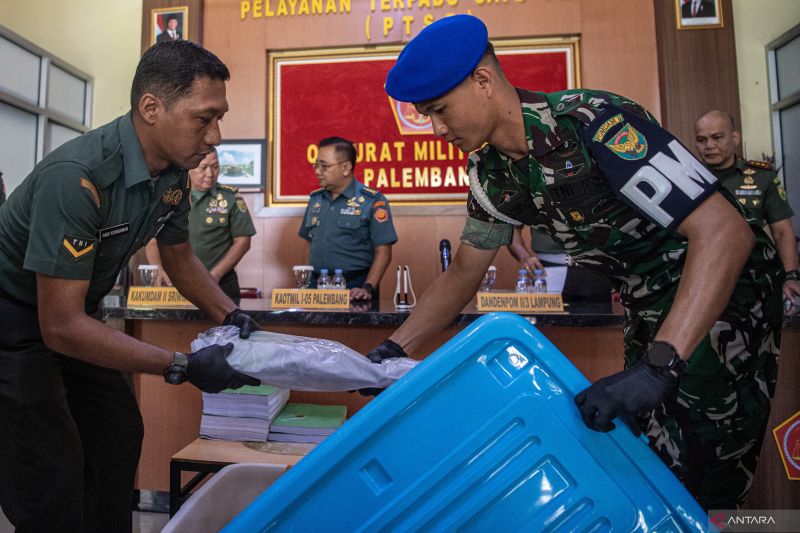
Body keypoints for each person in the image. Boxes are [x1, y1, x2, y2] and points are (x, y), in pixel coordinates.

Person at [368, 14, 783, 510]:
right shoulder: (489, 173)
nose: (435, 129)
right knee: (647, 462)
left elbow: (724, 232)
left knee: (700, 475)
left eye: (439, 111)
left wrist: (660, 366)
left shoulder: (593, 121)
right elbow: (464, 272)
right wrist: (393, 350)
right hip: (647, 307)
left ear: (482, 81)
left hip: (720, 300)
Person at [0, 40, 261, 532]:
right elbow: (59, 328)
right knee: (48, 471)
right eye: (204, 118)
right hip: (15, 320)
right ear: (151, 108)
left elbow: (181, 260)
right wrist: (182, 365)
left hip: (73, 313)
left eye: (219, 117)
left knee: (116, 434)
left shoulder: (173, 177)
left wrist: (230, 314)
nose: (217, 136)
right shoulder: (78, 178)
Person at [695, 109, 800, 305]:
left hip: (751, 279)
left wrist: (791, 276)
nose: (709, 146)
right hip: (699, 278)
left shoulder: (762, 177)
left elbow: (782, 232)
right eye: (701, 140)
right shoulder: (688, 178)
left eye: (717, 137)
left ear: (735, 137)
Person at [145, 148, 256, 304]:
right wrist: (158, 269)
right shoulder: (171, 197)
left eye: (215, 167)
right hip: (176, 284)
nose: (210, 173)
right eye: (203, 167)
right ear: (189, 167)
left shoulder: (230, 197)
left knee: (226, 328)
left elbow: (242, 242)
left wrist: (215, 275)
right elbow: (152, 238)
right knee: (176, 328)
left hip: (220, 283)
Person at [299, 136, 398, 301]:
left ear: (346, 167)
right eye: (316, 165)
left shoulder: (372, 201)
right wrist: (307, 281)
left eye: (324, 166)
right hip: (317, 287)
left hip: (355, 288)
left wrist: (368, 287)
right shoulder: (316, 200)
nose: (317, 171)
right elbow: (309, 242)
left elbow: (384, 251)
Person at [507, 226, 613, 302]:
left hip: (595, 269)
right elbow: (509, 223)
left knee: (598, 328)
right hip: (548, 271)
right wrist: (525, 257)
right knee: (545, 327)